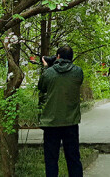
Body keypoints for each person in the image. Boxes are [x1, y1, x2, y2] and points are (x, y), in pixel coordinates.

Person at [37, 45, 84, 177]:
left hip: (51, 123)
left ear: (57, 57)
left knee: (51, 160)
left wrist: (48, 66)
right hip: (71, 122)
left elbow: (41, 87)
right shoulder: (78, 72)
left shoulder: (49, 73)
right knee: (73, 158)